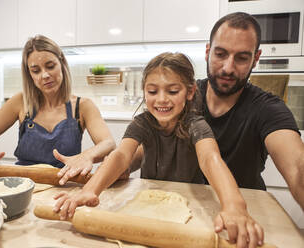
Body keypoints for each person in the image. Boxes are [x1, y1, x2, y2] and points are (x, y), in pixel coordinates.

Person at [53, 52, 264, 248]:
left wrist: (234, 206)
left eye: (172, 91)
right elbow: (121, 155)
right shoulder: (142, 123)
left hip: (189, 206)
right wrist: (90, 190)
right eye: (152, 91)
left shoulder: (196, 125)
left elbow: (210, 158)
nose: (161, 99)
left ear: (190, 92)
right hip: (148, 204)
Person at [0, 35, 116, 185]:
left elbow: (108, 143)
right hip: (21, 185)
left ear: (62, 63)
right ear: (29, 74)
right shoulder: (21, 102)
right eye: (36, 70)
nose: (44, 75)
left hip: (64, 185)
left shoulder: (83, 106)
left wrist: (87, 156)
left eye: (50, 66)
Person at [196, 12, 304, 211]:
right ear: (207, 52)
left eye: (242, 58)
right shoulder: (183, 98)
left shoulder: (267, 108)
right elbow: (142, 147)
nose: (228, 68)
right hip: (192, 209)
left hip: (248, 213)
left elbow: (297, 167)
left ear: (256, 59)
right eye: (220, 54)